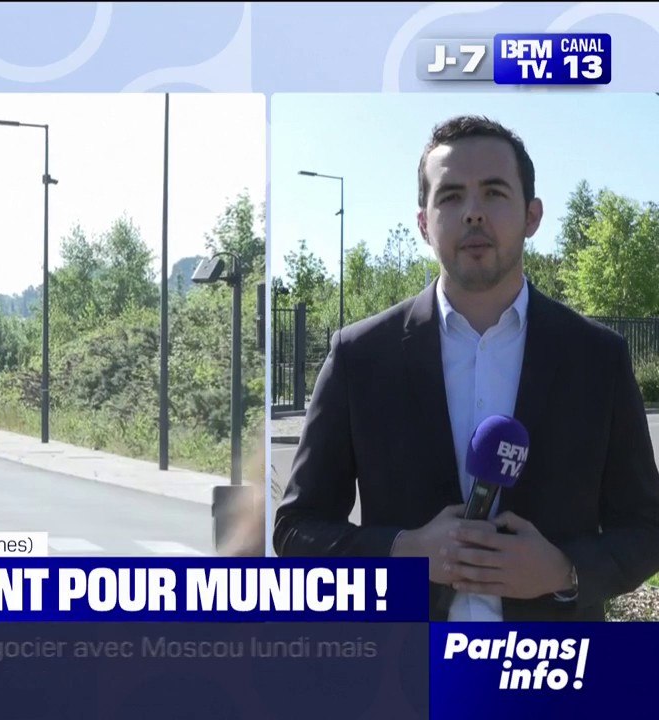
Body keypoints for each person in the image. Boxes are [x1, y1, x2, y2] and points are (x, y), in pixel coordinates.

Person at [273, 115, 659, 621]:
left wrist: (565, 571)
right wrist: (403, 552)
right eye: (451, 196)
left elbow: (646, 530)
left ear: (532, 216)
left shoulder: (597, 358)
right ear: (424, 223)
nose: (473, 214)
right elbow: (297, 529)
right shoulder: (360, 356)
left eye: (495, 193)